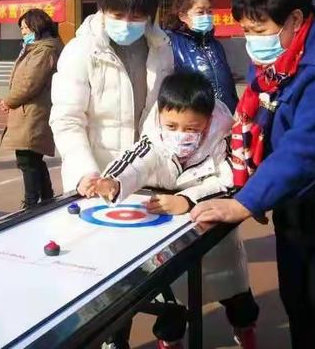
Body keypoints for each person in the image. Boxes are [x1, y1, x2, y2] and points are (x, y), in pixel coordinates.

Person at [190, 0, 315, 349]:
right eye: (246, 29)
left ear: (295, 20)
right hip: (290, 197)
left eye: (259, 29)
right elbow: (260, 110)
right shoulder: (277, 56)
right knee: (296, 300)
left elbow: (306, 147)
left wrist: (244, 202)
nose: (252, 41)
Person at [50, 0, 174, 348]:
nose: (127, 22)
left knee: (147, 266)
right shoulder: (80, 52)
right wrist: (86, 172)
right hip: (95, 181)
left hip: (147, 174)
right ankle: (109, 338)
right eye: (117, 14)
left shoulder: (161, 48)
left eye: (137, 15)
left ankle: (158, 328)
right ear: (101, 8)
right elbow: (67, 120)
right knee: (99, 275)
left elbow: (161, 116)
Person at [95, 71, 258, 349]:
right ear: (160, 115)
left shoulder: (225, 137)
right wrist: (112, 180)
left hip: (213, 227)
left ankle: (244, 329)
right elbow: (136, 160)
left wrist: (187, 200)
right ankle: (170, 340)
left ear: (208, 122)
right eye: (171, 125)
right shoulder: (156, 138)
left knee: (235, 292)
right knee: (171, 298)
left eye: (192, 129)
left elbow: (232, 179)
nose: (180, 135)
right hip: (168, 232)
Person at [1, 9, 63, 208]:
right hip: (29, 112)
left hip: (34, 113)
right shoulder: (38, 48)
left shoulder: (44, 51)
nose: (23, 33)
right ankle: (46, 199)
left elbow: (30, 82)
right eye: (21, 29)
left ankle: (32, 203)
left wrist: (9, 100)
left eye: (26, 28)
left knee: (28, 159)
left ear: (39, 27)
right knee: (32, 159)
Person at [165, 0, 238, 113]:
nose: (207, 16)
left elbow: (229, 83)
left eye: (209, 11)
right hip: (193, 116)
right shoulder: (171, 42)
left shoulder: (216, 45)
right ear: (183, 16)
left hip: (226, 115)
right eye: (200, 12)